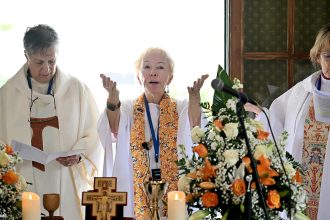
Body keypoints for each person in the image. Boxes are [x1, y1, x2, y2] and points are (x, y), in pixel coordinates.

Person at [0, 24, 103, 219]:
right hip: (25, 181)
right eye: (39, 62)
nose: (46, 69)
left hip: (65, 179)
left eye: (51, 61)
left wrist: (79, 155)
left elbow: (95, 133)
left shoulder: (77, 90)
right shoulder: (6, 95)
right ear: (26, 56)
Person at [98, 47, 208, 219]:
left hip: (173, 190)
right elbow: (113, 129)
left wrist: (195, 100)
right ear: (138, 76)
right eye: (147, 67)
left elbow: (195, 127)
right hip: (137, 193)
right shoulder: (128, 108)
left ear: (170, 77)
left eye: (160, 67)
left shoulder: (180, 107)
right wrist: (113, 100)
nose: (153, 73)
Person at [246, 23, 330, 220]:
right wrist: (261, 115)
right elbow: (275, 124)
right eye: (328, 56)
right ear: (318, 57)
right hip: (301, 181)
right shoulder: (301, 92)